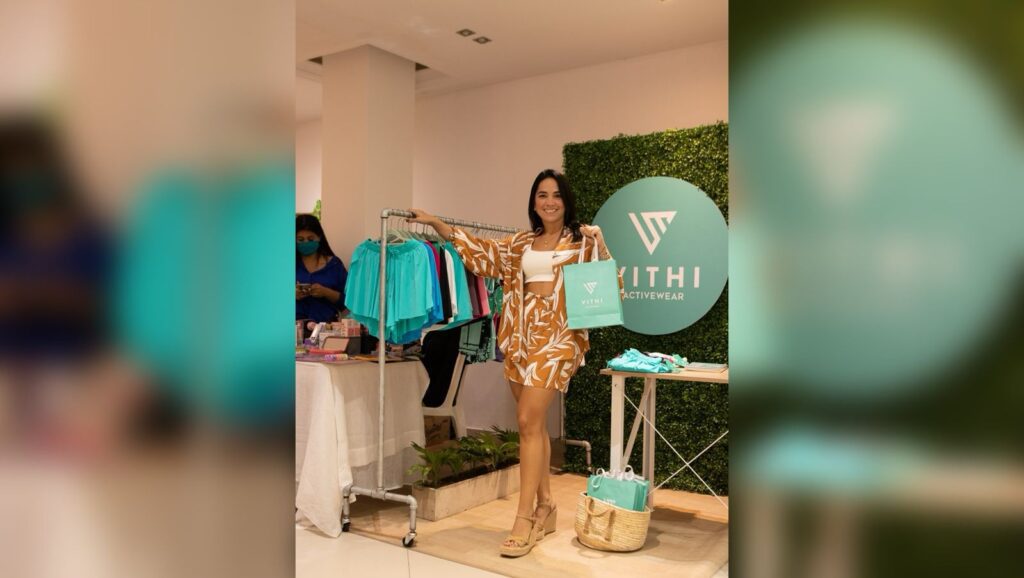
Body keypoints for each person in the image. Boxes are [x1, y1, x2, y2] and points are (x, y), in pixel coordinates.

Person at [407, 169, 622, 557]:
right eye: (542, 195)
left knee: (525, 421)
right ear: (533, 202)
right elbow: (481, 255)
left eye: (556, 195)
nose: (549, 202)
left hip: (558, 336)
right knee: (533, 426)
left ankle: (523, 519)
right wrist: (439, 225)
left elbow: (612, 285)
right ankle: (546, 506)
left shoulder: (582, 241)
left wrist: (602, 245)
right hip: (520, 336)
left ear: (566, 201)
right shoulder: (521, 242)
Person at [295, 214, 347, 323]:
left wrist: (326, 292)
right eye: (300, 239)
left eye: (310, 239)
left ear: (319, 237)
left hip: (326, 327)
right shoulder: (287, 265)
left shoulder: (334, 265)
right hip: (294, 328)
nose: (305, 243)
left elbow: (348, 301)